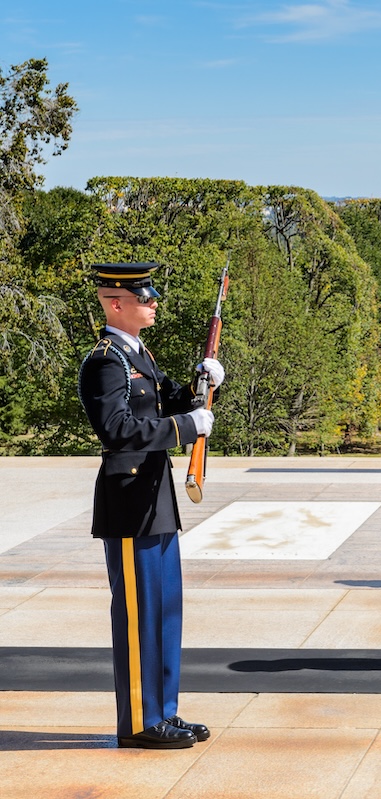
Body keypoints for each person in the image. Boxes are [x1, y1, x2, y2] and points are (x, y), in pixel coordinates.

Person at [77, 262, 224, 749]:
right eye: (145, 297)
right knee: (139, 615)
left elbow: (160, 406)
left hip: (154, 501)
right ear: (115, 303)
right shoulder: (105, 361)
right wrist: (187, 428)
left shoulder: (137, 355)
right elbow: (117, 430)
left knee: (163, 612)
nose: (154, 302)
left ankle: (163, 712)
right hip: (129, 503)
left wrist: (201, 387)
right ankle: (140, 722)